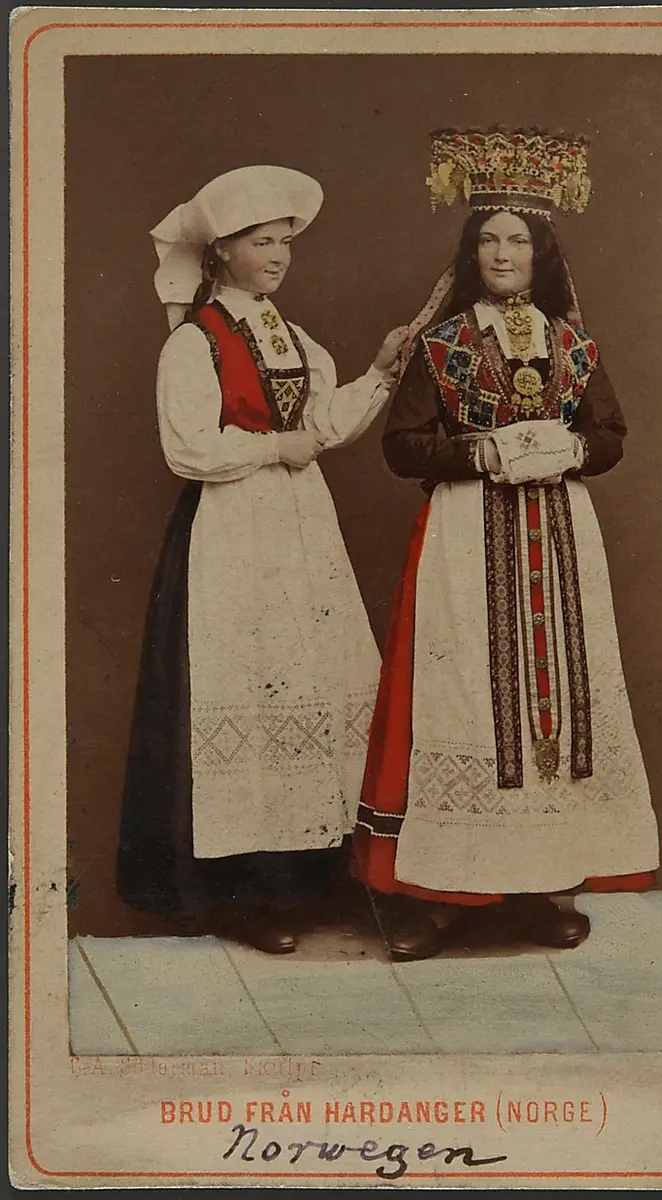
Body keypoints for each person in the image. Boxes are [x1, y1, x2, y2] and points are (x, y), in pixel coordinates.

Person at [351, 127, 660, 961]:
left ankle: (541, 886)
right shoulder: (443, 344)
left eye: (516, 240)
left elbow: (610, 435)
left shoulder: (572, 344)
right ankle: (439, 896)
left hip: (559, 538)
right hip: (464, 537)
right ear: (470, 251)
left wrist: (571, 448)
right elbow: (401, 447)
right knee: (463, 697)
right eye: (487, 238)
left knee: (552, 702)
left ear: (540, 253)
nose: (501, 253)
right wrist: (481, 454)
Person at [117, 165, 406, 953]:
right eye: (261, 242)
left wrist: (379, 373)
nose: (278, 256)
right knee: (244, 683)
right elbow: (188, 448)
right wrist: (277, 447)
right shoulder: (193, 342)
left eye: (284, 243)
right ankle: (240, 894)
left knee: (314, 675)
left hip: (302, 527)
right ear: (221, 251)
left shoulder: (291, 337)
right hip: (232, 529)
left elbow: (324, 425)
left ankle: (311, 881)